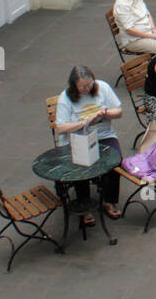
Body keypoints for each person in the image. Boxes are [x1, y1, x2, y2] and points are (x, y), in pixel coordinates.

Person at [53, 66, 125, 223]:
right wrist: (85, 122)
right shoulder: (65, 98)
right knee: (81, 163)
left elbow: (118, 112)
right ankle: (83, 203)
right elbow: (61, 128)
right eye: (83, 87)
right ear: (74, 86)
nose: (87, 89)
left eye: (89, 84)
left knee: (115, 160)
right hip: (78, 138)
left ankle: (108, 200)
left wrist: (104, 113)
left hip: (103, 135)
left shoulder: (103, 87)